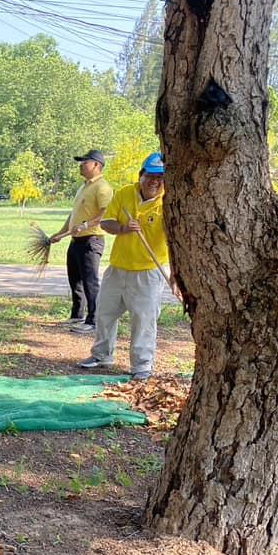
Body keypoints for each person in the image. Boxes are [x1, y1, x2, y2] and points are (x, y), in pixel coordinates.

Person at [78, 152, 173, 382]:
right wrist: (122, 228)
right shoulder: (124, 194)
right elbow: (106, 221)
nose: (155, 181)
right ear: (141, 175)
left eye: (160, 177)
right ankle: (101, 355)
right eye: (150, 175)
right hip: (118, 268)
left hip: (148, 271)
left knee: (143, 319)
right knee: (104, 313)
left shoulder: (169, 202)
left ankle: (142, 365)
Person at [48, 150, 114, 335]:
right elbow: (73, 215)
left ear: (96, 165)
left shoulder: (103, 188)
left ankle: (93, 321)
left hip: (91, 240)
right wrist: (60, 234)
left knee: (90, 281)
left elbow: (105, 213)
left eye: (85, 162)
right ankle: (77, 315)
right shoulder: (84, 187)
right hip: (76, 240)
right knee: (75, 279)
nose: (81, 165)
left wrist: (85, 226)